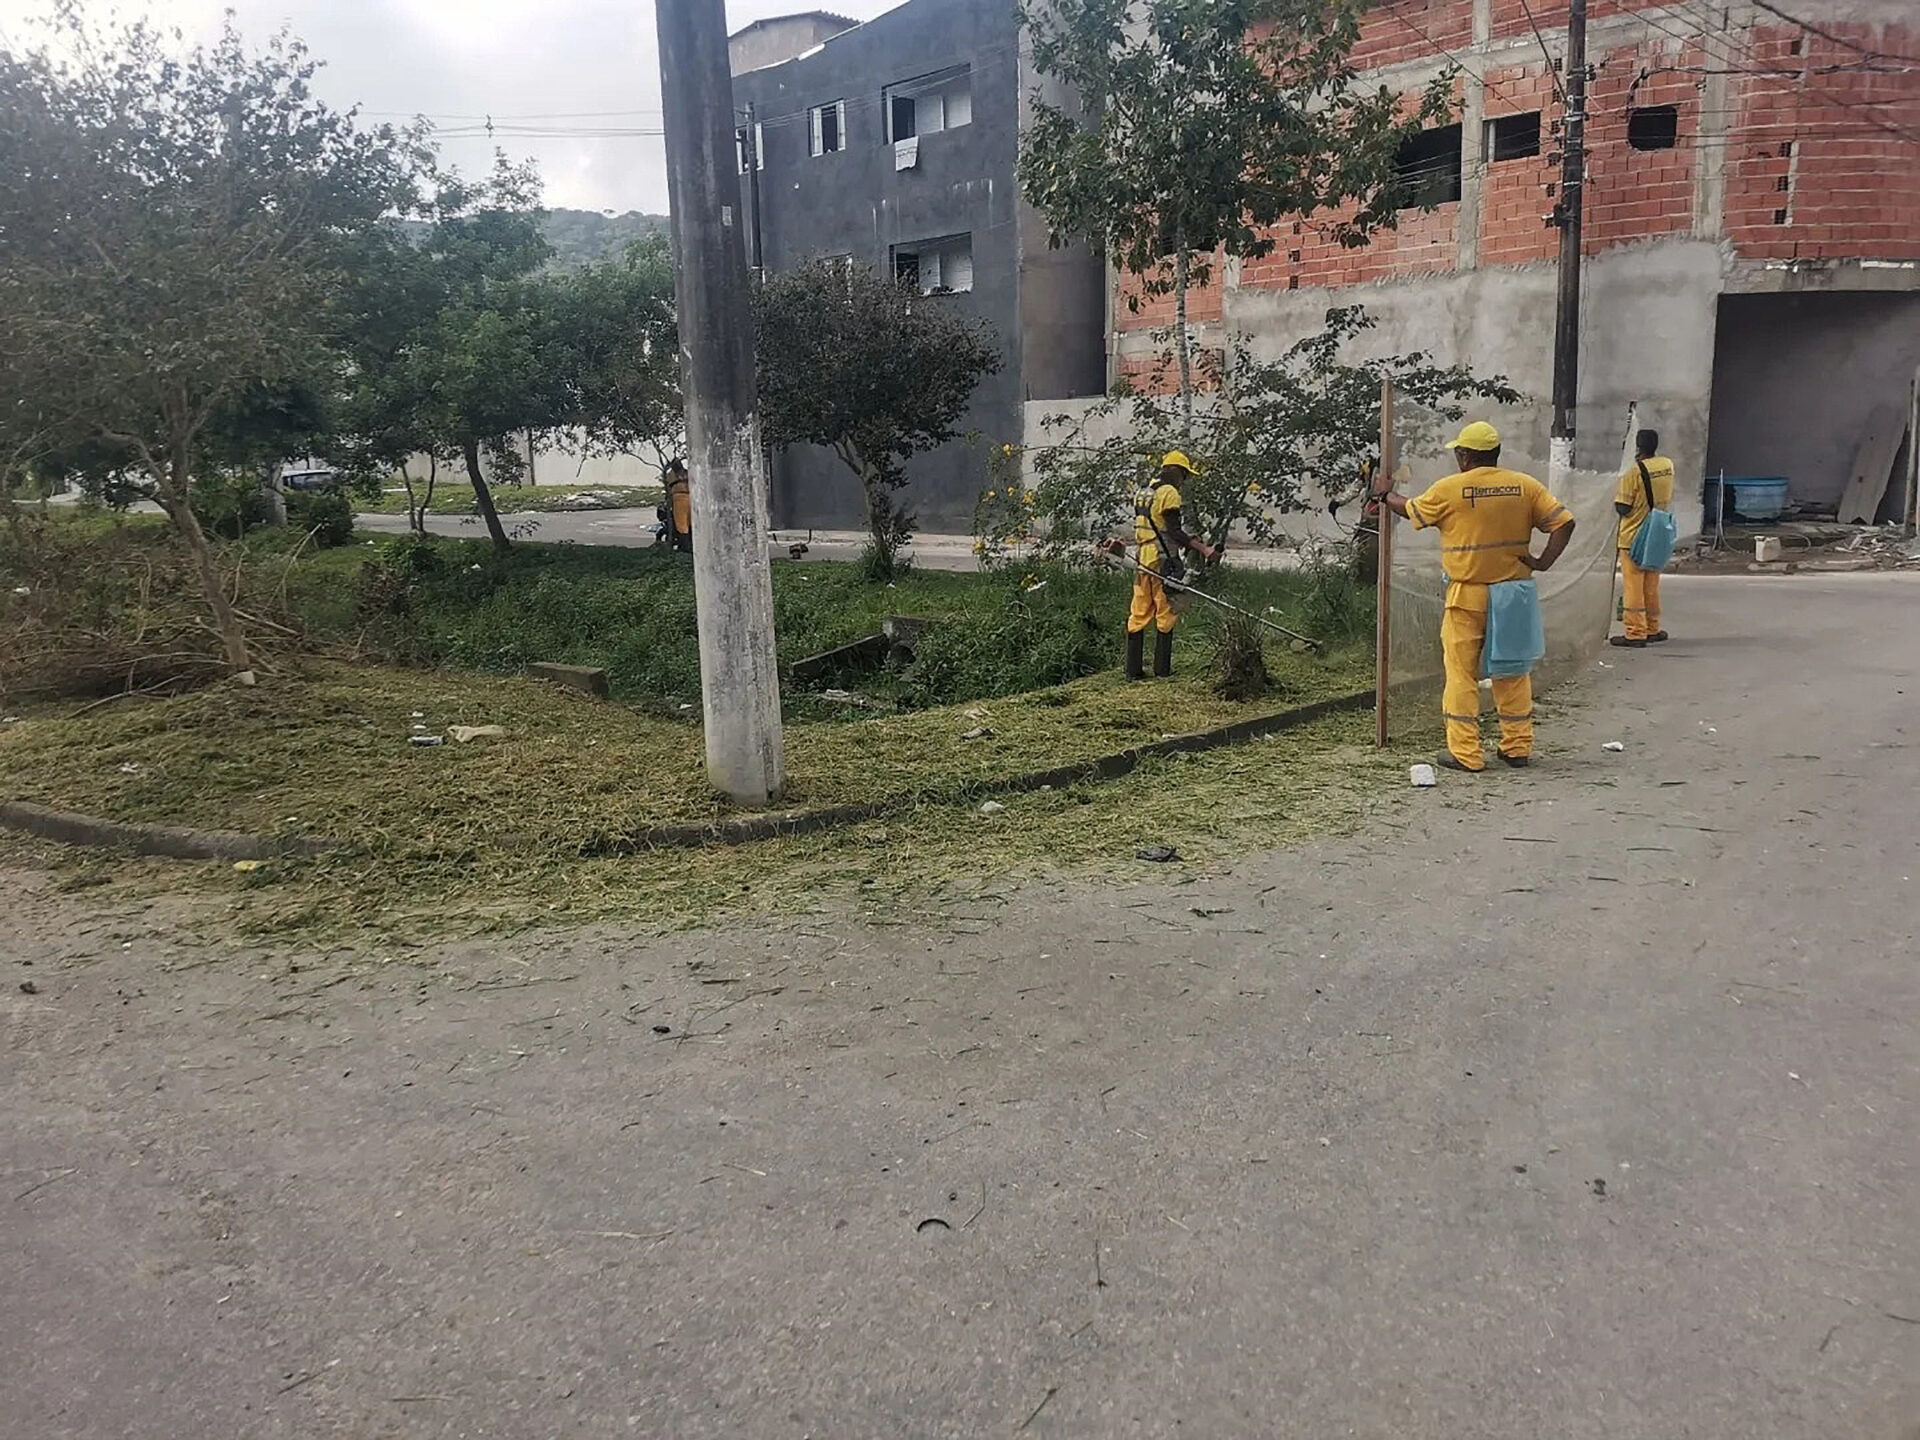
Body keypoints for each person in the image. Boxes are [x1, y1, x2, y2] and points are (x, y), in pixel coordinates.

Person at [1373, 421, 1576, 772]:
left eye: (1458, 453)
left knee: (1461, 674)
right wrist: (1543, 562)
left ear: (1465, 456)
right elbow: (1564, 523)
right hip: (1513, 596)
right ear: (1495, 454)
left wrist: (1385, 494)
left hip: (1468, 596)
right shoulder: (1524, 486)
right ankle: (1517, 747)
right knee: (1512, 670)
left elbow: (1411, 509)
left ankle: (1466, 753)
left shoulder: (1451, 489)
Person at [1098, 451, 1219, 679]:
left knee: (1140, 609)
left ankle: (1132, 671)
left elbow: (1150, 527)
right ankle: (1162, 670)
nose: (1184, 482)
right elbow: (1173, 531)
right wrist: (1204, 549)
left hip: (1143, 557)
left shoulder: (1144, 493)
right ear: (1178, 473)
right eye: (1185, 476)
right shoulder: (1169, 493)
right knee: (1165, 609)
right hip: (1162, 560)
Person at [1612, 428, 1674, 647]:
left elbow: (1623, 507)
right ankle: (1652, 628)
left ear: (1638, 447)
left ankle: (1635, 632)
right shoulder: (1667, 466)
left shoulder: (1634, 473)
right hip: (1657, 533)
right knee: (1651, 584)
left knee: (1633, 586)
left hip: (1633, 537)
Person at [663, 460, 692, 553]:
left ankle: (685, 546)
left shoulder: (671, 474)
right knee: (688, 522)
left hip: (679, 498)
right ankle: (688, 544)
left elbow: (668, 487)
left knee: (682, 524)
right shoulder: (687, 473)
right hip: (690, 497)